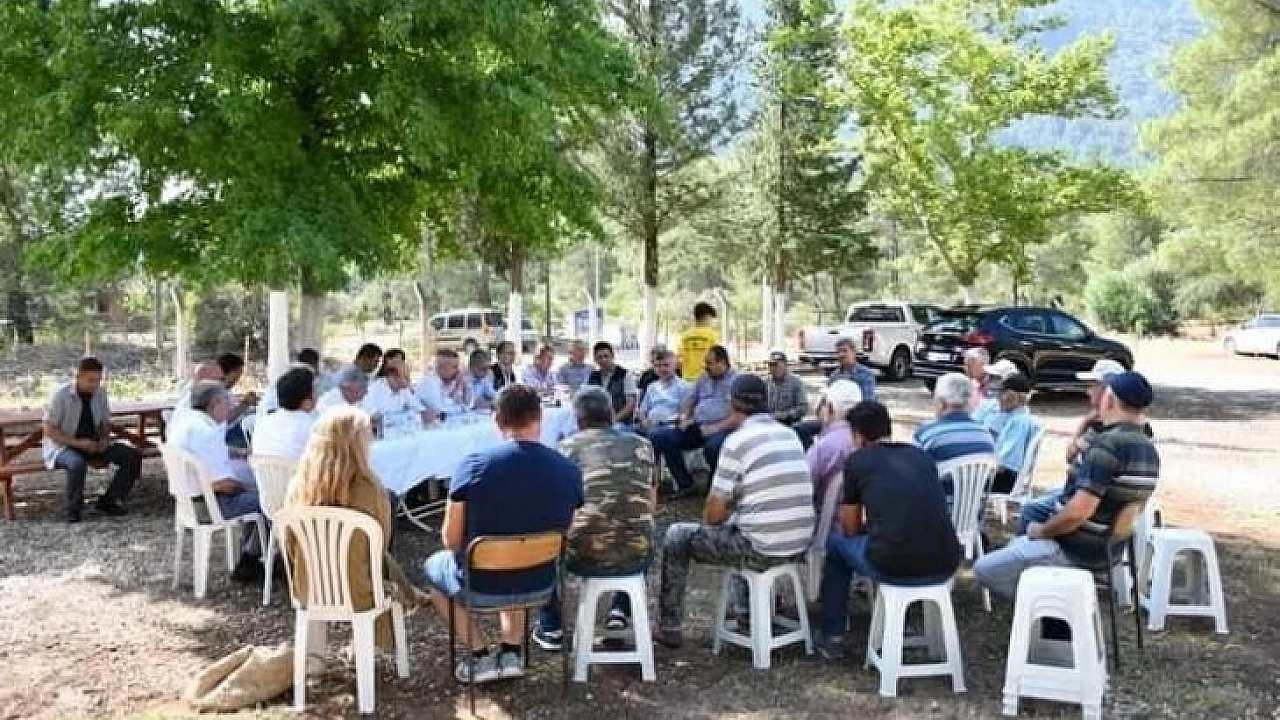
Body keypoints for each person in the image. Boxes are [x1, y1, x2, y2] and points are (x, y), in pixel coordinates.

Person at [422, 385, 584, 685]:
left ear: (497, 421)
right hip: (540, 581)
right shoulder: (569, 470)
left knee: (434, 569)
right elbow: (568, 531)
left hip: (481, 582)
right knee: (522, 551)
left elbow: (451, 541)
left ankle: (479, 654)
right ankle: (511, 651)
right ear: (540, 418)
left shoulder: (473, 466)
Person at [652, 374, 814, 648]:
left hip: (762, 549)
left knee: (677, 535)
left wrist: (727, 509)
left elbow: (713, 516)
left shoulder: (737, 441)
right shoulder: (790, 435)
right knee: (742, 522)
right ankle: (746, 610)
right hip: (799, 543)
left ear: (732, 403)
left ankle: (670, 626)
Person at [975, 372, 1160, 601]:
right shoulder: (1148, 450)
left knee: (984, 569)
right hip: (1109, 550)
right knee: (1019, 541)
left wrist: (1043, 531)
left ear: (1110, 400)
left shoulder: (1107, 446)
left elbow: (1078, 513)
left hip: (1075, 550)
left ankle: (1048, 607)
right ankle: (1053, 605)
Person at [815, 401, 962, 658]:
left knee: (837, 546)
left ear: (858, 435)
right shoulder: (921, 456)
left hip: (893, 565)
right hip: (946, 561)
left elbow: (850, 528)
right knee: (907, 542)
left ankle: (832, 635)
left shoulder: (857, 461)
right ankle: (908, 621)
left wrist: (869, 528)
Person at [283, 407, 422, 650]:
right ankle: (388, 622)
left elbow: (289, 543)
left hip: (309, 586)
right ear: (358, 444)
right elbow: (379, 544)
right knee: (382, 563)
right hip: (359, 590)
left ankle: (315, 655)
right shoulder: (370, 491)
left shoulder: (298, 487)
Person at [532, 387, 657, 650]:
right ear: (611, 414)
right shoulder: (643, 446)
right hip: (639, 552)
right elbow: (650, 502)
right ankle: (620, 609)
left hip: (584, 554)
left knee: (541, 539)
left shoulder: (565, 449)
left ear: (578, 420)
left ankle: (551, 626)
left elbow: (554, 508)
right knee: (636, 526)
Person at [1017, 359, 1152, 532]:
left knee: (1031, 510)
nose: (1088, 391)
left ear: (1108, 393)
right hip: (1103, 513)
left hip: (1089, 515)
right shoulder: (1139, 435)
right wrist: (1086, 422)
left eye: (1093, 385)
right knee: (1046, 498)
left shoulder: (1107, 437)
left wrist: (1042, 532)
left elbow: (1071, 459)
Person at [168, 381, 263, 581]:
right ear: (215, 404)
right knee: (270, 500)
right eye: (227, 403)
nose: (230, 408)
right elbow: (223, 485)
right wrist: (250, 487)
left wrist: (239, 453)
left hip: (187, 502)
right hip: (210, 506)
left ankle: (250, 553)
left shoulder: (186, 421)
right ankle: (251, 559)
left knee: (255, 492)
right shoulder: (206, 432)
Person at [41, 357, 141, 522]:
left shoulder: (100, 393)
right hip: (63, 446)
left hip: (92, 444)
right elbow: (49, 430)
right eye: (90, 380)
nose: (94, 384)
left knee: (132, 455)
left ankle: (110, 500)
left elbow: (105, 423)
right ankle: (73, 510)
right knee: (76, 464)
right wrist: (78, 443)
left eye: (98, 380)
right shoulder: (61, 395)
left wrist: (103, 440)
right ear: (78, 377)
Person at [648, 345, 739, 498]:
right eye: (705, 363)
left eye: (709, 363)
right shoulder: (704, 377)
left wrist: (714, 428)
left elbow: (737, 416)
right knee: (660, 436)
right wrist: (684, 417)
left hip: (723, 428)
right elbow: (690, 400)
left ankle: (717, 487)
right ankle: (685, 484)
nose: (706, 367)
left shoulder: (737, 381)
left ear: (722, 362)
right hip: (698, 425)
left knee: (713, 447)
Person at [912, 372, 996, 501]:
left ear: (941, 403)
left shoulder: (926, 433)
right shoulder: (986, 436)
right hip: (974, 511)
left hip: (937, 510)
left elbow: (912, 475)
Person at [793, 338, 877, 448]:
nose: (841, 355)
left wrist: (845, 415)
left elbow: (867, 402)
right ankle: (813, 454)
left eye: (844, 351)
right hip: (832, 418)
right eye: (838, 352)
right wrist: (822, 411)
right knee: (800, 428)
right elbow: (826, 397)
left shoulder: (865, 374)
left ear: (854, 352)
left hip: (855, 421)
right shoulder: (835, 375)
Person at [805, 380, 862, 535]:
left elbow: (804, 491)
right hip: (860, 530)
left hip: (825, 531)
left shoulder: (823, 448)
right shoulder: (865, 441)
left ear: (830, 407)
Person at [983, 373, 1042, 494]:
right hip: (998, 474)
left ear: (1016, 397)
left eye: (1003, 393)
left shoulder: (1019, 422)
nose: (998, 397)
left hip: (1002, 481)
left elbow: (1003, 465)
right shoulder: (1012, 417)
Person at [251, 367, 318, 462]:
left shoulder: (262, 422)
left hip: (263, 471)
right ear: (306, 402)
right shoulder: (313, 426)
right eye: (315, 391)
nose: (317, 395)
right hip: (299, 471)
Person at [635, 349, 690, 434]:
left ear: (675, 366)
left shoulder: (684, 387)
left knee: (655, 434)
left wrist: (662, 422)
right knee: (621, 430)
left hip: (669, 428)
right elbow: (642, 411)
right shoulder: (651, 387)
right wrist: (644, 421)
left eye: (666, 365)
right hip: (648, 426)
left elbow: (684, 415)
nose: (662, 369)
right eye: (657, 366)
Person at [587, 342, 638, 427]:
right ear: (595, 359)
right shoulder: (593, 377)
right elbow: (588, 400)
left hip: (620, 422)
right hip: (598, 422)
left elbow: (631, 404)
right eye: (599, 357)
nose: (603, 360)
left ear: (612, 356)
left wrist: (614, 420)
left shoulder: (625, 375)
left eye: (606, 356)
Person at [417, 348, 474, 420]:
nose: (458, 370)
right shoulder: (429, 383)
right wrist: (457, 389)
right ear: (441, 368)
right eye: (455, 367)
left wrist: (465, 386)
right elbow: (442, 410)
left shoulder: (450, 381)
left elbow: (469, 404)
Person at [218, 353, 259, 447]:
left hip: (236, 427)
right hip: (228, 434)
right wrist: (245, 403)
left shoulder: (226, 390)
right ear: (232, 373)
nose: (239, 378)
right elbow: (223, 420)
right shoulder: (215, 392)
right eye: (239, 373)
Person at [677, 302, 719, 382]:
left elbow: (679, 360)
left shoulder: (685, 336)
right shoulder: (712, 335)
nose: (711, 323)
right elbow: (717, 358)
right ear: (706, 317)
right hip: (706, 379)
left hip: (687, 379)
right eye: (711, 320)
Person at [764, 351, 807, 428]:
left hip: (790, 424)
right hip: (769, 424)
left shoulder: (796, 382)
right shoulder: (765, 382)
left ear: (785, 365)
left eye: (776, 365)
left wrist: (783, 416)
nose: (773, 368)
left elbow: (802, 408)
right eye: (770, 365)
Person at [962, 348, 991, 412]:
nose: (965, 368)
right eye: (965, 365)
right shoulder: (967, 386)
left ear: (983, 365)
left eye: (969, 365)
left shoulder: (996, 385)